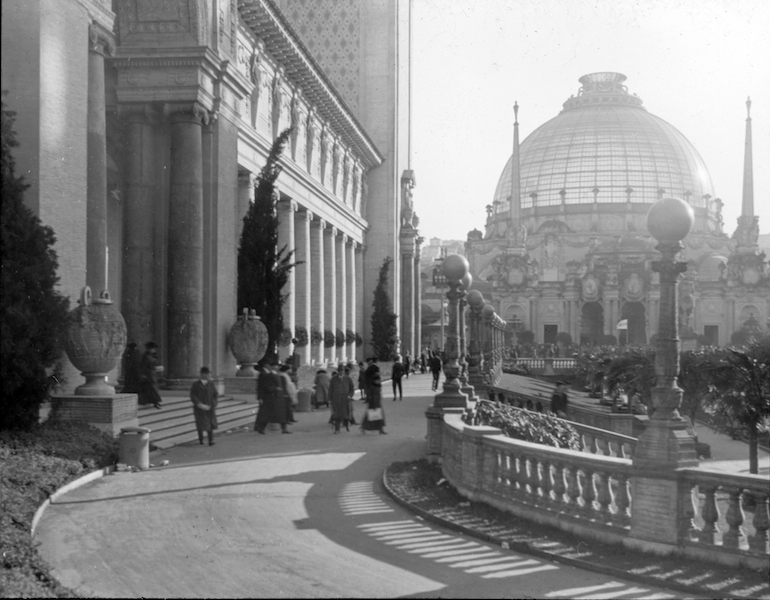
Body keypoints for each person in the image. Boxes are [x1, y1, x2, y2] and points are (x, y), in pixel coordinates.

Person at [254, 361, 291, 434]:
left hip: (279, 397)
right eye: (276, 366)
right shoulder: (268, 375)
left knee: (280, 414)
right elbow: (265, 387)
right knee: (268, 414)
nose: (277, 368)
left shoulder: (278, 375)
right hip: (272, 397)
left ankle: (284, 428)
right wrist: (275, 389)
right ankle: (261, 428)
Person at [190, 367, 218, 446]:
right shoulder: (196, 384)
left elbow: (215, 394)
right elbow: (193, 396)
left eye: (209, 374)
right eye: (207, 374)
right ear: (202, 374)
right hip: (200, 408)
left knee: (210, 424)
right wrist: (199, 404)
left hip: (209, 407)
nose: (208, 375)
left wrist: (214, 403)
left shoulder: (210, 384)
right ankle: (201, 438)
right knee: (200, 424)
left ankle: (210, 440)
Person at [329, 364, 355, 433]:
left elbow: (352, 389)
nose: (341, 372)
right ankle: (337, 429)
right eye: (340, 371)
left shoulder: (348, 379)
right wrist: (329, 399)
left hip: (345, 399)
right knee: (337, 414)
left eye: (342, 370)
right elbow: (330, 389)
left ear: (344, 371)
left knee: (345, 414)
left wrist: (350, 395)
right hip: (336, 399)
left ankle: (346, 425)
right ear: (338, 371)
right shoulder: (333, 379)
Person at [137, 341, 163, 409]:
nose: (153, 350)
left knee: (153, 389)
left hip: (152, 374)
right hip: (148, 374)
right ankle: (155, 402)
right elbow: (143, 366)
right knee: (151, 389)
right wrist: (142, 374)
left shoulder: (153, 355)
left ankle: (156, 402)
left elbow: (154, 364)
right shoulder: (145, 355)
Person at [361, 370, 386, 434]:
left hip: (377, 402)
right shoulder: (373, 387)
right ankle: (364, 426)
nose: (378, 381)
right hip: (373, 403)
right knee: (370, 416)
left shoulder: (377, 387)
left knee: (379, 416)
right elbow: (371, 396)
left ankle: (380, 429)